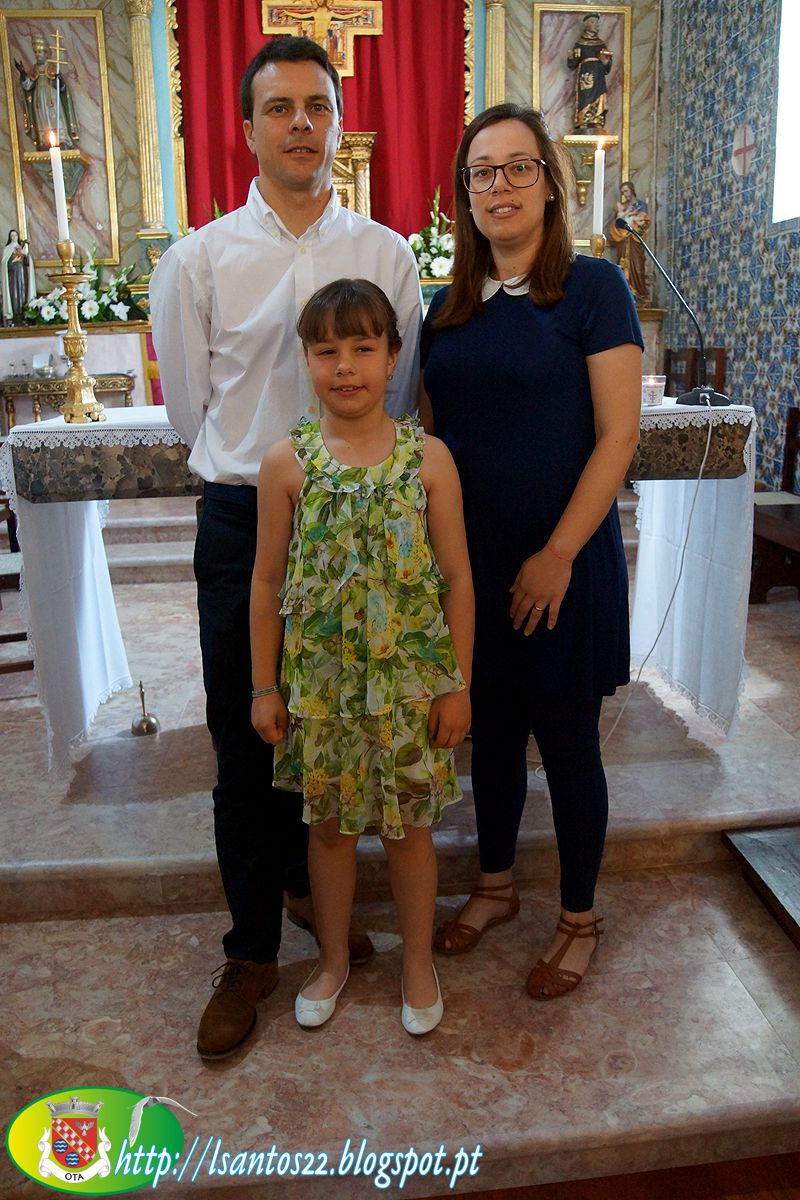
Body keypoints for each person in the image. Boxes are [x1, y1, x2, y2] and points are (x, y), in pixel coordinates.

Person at [150, 37, 422, 1059]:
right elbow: (190, 407)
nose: (301, 123)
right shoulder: (199, 259)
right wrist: (263, 474)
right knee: (249, 732)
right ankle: (252, 952)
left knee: (348, 722)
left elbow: (397, 396)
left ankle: (314, 890)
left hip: (361, 522)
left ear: (339, 124)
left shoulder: (387, 255)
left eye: (318, 106)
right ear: (247, 127)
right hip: (244, 523)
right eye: (280, 108)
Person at [419, 103, 642, 999]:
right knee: (494, 734)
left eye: (519, 167)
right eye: (483, 171)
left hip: (564, 558)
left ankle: (580, 918)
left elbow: (617, 436)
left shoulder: (592, 290)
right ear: (465, 194)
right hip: (474, 566)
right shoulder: (447, 308)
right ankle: (497, 884)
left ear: (551, 183)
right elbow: (432, 443)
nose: (500, 185)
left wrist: (557, 554)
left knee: (568, 741)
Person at [251, 278, 473, 1034]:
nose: (344, 366)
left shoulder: (429, 459)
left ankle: (418, 962)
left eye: (362, 348)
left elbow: (457, 577)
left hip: (410, 686)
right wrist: (264, 687)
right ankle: (333, 960)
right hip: (323, 689)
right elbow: (267, 582)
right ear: (307, 360)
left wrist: (457, 685)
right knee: (330, 831)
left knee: (409, 830)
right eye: (326, 351)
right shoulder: (287, 464)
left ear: (392, 358)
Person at [15, 33, 80, 150]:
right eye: (36, 52)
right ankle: (44, 142)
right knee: (43, 120)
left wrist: (60, 81)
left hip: (52, 98)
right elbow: (27, 85)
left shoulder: (52, 67)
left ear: (45, 53)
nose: (38, 55)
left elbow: (62, 88)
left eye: (40, 52)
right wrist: (22, 72)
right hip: (39, 100)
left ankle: (62, 139)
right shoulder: (34, 69)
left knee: (56, 117)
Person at [566, 13, 612, 132]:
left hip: (598, 75)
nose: (595, 25)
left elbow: (607, 65)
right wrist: (571, 57)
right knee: (585, 97)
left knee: (599, 96)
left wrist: (606, 62)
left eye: (596, 22)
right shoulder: (580, 43)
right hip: (586, 74)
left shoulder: (601, 44)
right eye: (592, 22)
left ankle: (597, 120)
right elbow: (573, 64)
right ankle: (584, 121)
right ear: (586, 25)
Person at [608, 180, 650, 303]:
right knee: (623, 266)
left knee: (637, 267)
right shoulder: (622, 207)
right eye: (623, 192)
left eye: (626, 191)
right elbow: (617, 224)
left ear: (632, 190)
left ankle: (639, 294)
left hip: (635, 242)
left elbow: (645, 222)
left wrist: (635, 223)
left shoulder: (641, 205)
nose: (625, 194)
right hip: (623, 242)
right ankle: (625, 295)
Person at [2, 230, 36, 326]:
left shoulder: (22, 248)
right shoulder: (7, 249)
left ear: (17, 236)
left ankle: (24, 315)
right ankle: (15, 316)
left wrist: (25, 255)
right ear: (10, 237)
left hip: (22, 275)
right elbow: (4, 264)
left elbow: (28, 263)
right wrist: (13, 261)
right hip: (13, 277)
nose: (14, 237)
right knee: (14, 295)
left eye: (15, 235)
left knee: (23, 294)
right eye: (12, 235)